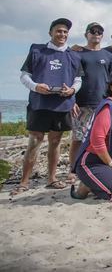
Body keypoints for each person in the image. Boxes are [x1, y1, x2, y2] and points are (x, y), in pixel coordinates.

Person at [12, 18, 83, 195]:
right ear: (50, 32)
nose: (62, 34)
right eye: (59, 31)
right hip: (39, 103)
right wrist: (36, 87)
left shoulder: (73, 55)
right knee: (35, 141)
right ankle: (24, 181)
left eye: (65, 32)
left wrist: (72, 90)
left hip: (62, 104)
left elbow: (78, 79)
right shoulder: (37, 50)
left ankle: (51, 179)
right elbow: (24, 76)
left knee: (55, 141)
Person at [71, 70, 112, 201]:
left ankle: (96, 182)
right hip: (94, 161)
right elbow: (97, 141)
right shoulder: (108, 107)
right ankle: (87, 185)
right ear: (111, 87)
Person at [69, 22, 112, 184]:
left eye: (99, 31)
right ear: (86, 34)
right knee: (78, 138)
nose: (96, 34)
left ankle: (100, 165)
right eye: (92, 31)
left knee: (101, 138)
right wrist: (71, 100)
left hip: (103, 103)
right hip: (82, 102)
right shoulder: (77, 53)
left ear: (102, 35)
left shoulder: (108, 56)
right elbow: (71, 78)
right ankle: (73, 169)